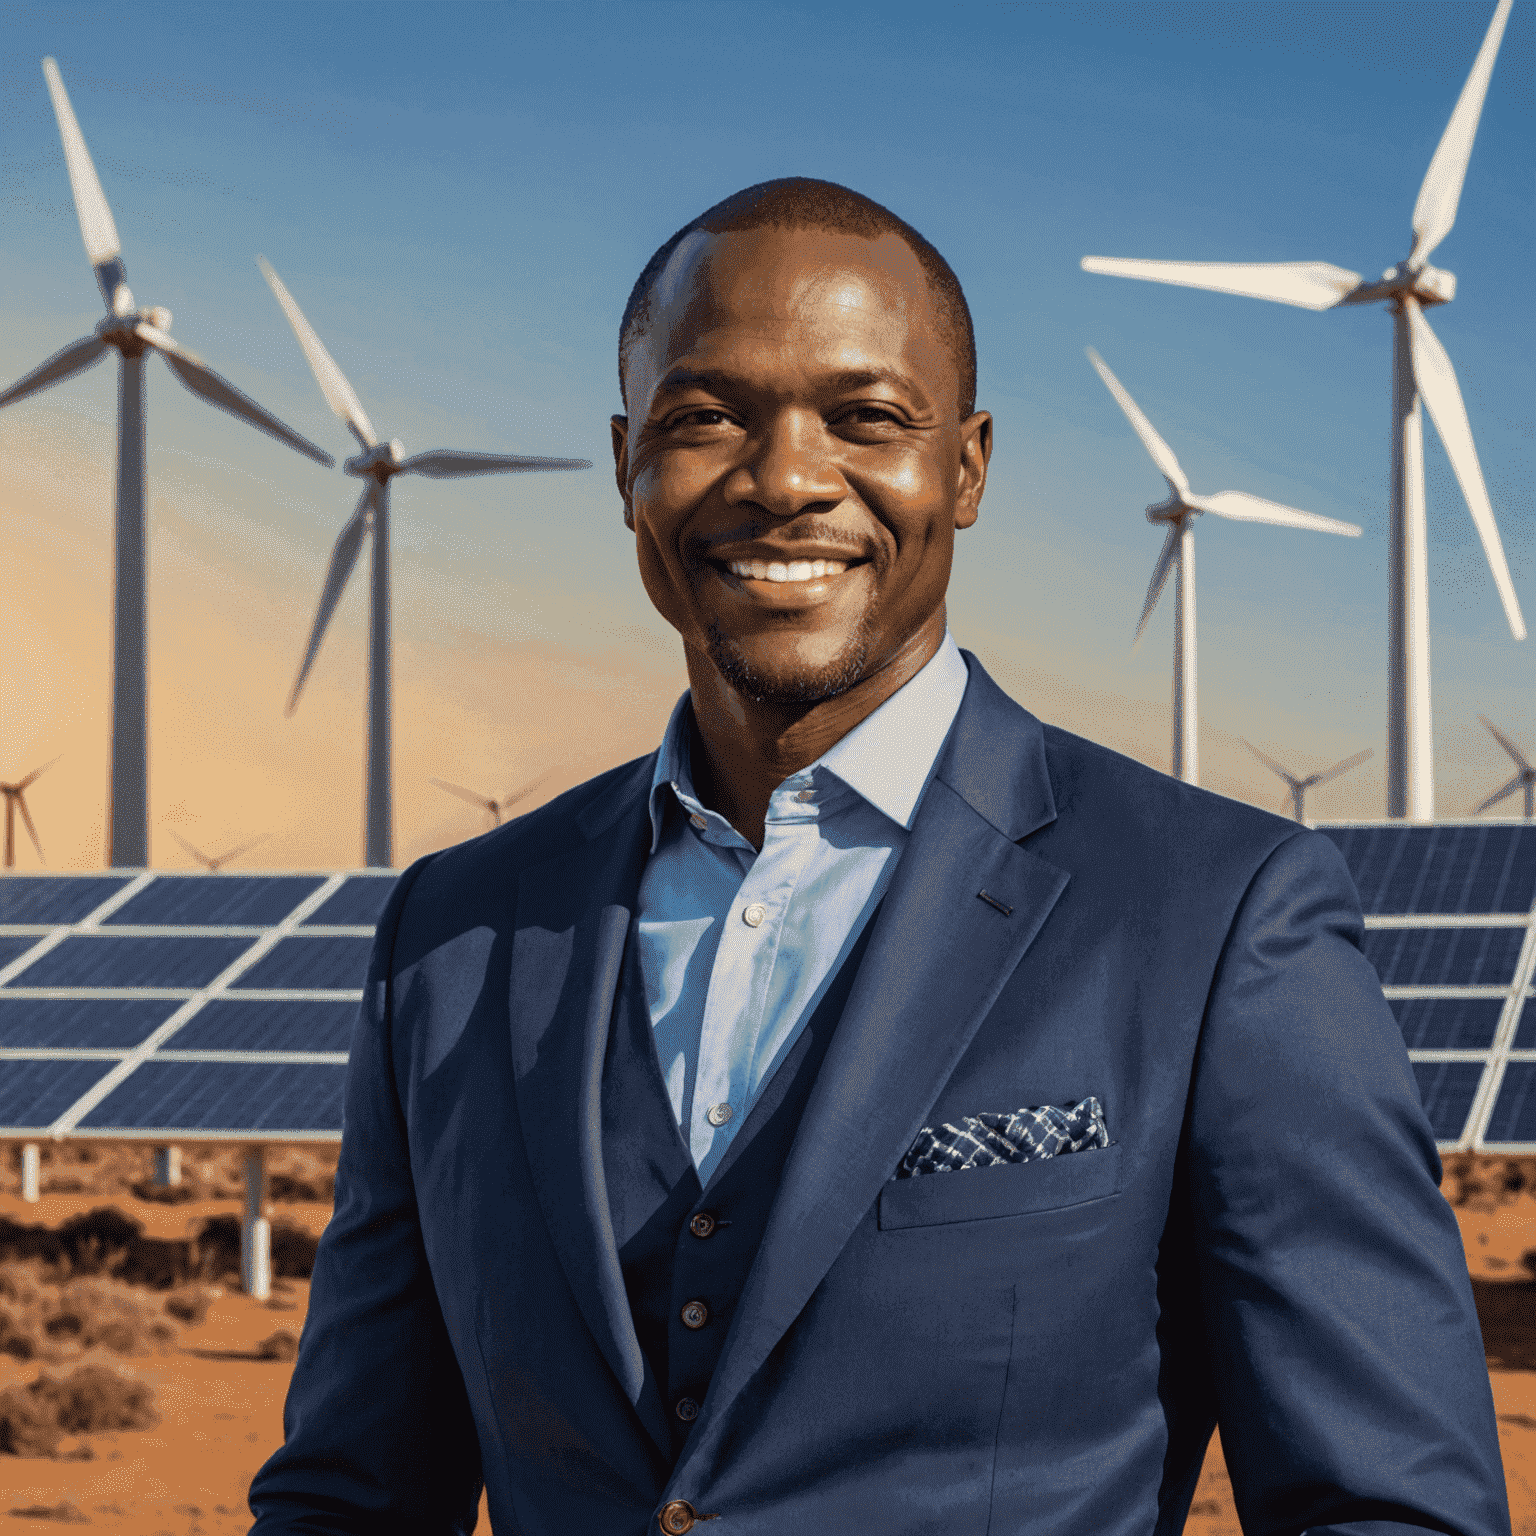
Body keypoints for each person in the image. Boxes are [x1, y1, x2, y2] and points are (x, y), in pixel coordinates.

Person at [249, 177, 1508, 1536]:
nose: (784, 479)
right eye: (705, 417)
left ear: (964, 467)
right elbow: (349, 1494)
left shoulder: (1216, 919)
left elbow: (1387, 1508)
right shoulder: (458, 935)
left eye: (864, 418)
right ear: (627, 464)